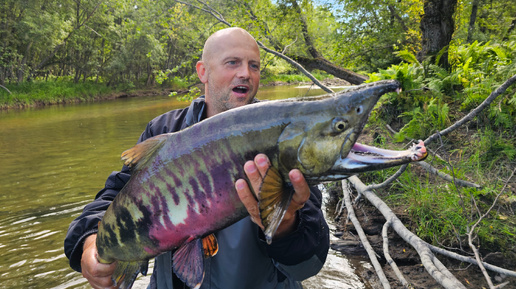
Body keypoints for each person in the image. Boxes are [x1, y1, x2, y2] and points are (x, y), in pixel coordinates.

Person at [64, 27, 330, 289]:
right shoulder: (163, 130)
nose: (245, 74)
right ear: (203, 71)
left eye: (254, 66)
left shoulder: (284, 135)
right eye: (232, 63)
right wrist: (89, 243)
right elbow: (115, 195)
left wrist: (285, 225)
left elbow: (309, 264)